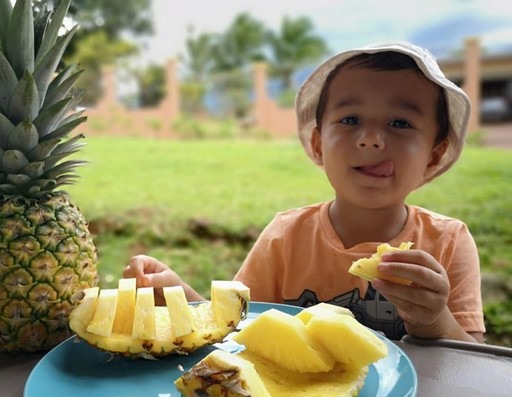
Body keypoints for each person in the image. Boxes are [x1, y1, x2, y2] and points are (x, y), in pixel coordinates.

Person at [123, 42, 485, 343]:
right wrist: (180, 298)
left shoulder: (449, 242)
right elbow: (235, 327)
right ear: (317, 144)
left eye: (400, 123)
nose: (371, 139)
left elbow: (473, 364)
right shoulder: (285, 237)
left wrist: (434, 320)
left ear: (433, 155)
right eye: (350, 119)